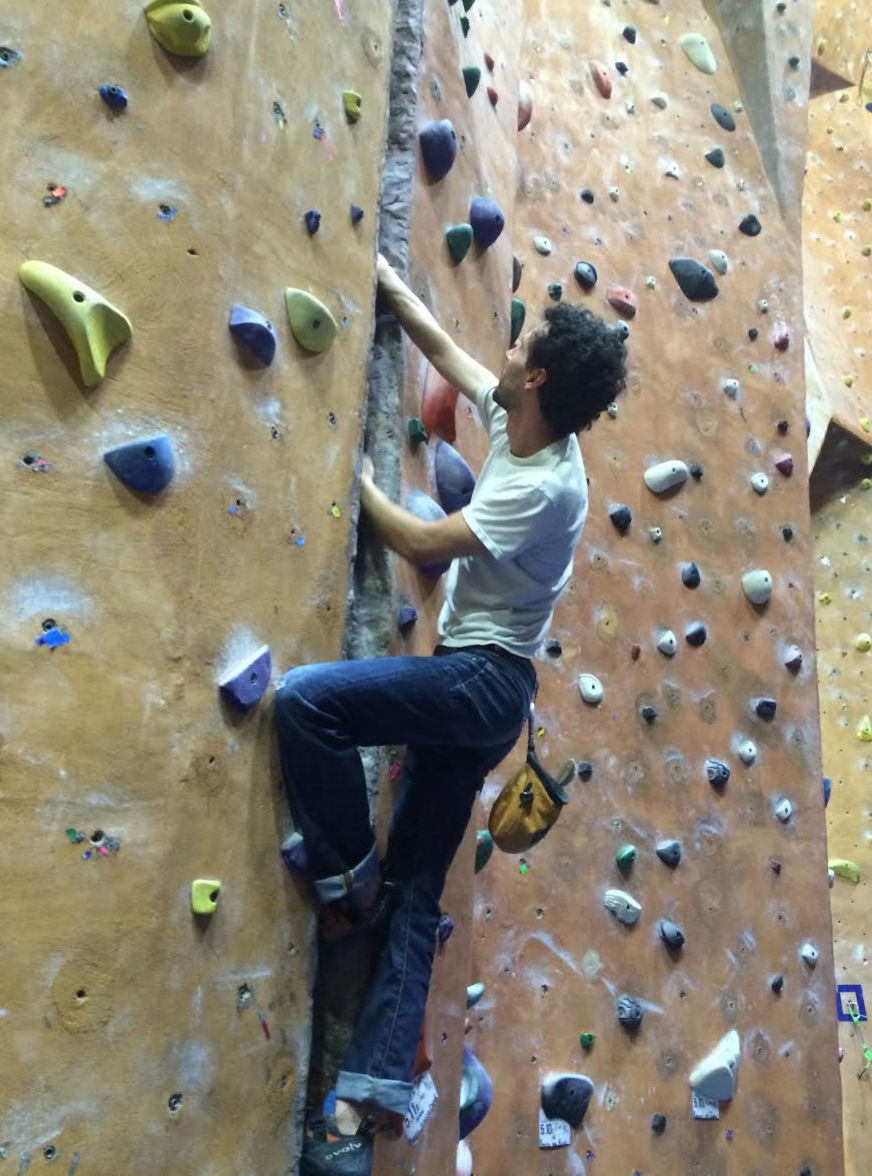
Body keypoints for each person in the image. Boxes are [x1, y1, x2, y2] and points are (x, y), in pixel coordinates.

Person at [275, 253, 628, 1176]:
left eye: (522, 344)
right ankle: (358, 1114)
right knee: (418, 893)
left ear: (539, 376)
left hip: (483, 684)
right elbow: (447, 348)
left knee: (308, 704)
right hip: (485, 692)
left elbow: (423, 538)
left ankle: (345, 881)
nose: (505, 350)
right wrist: (381, 277)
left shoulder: (543, 483)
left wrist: (348, 473)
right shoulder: (527, 424)